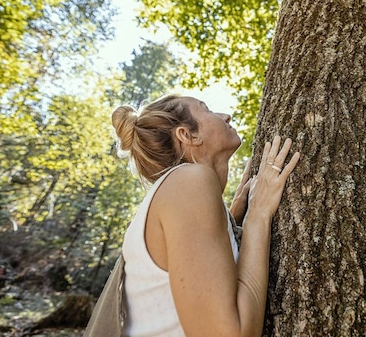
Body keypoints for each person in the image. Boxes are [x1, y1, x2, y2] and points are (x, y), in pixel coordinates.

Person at [109, 94, 300, 336]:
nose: (225, 116)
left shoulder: (178, 191)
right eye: (207, 109)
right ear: (188, 135)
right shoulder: (187, 181)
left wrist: (233, 222)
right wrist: (259, 213)